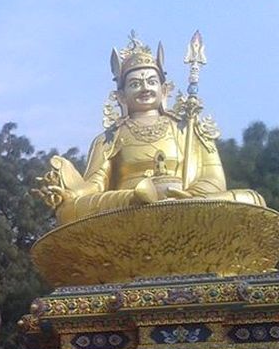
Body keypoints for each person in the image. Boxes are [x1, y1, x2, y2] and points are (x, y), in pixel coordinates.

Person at [36, 33, 264, 226]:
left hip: (185, 207)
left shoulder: (188, 128)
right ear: (121, 96)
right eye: (135, 84)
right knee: (69, 211)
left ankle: (162, 201)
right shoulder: (109, 138)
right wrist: (71, 193)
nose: (145, 87)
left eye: (151, 81)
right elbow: (94, 186)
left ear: (164, 90)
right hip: (128, 210)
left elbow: (213, 180)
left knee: (250, 200)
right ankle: (142, 198)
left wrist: (190, 196)